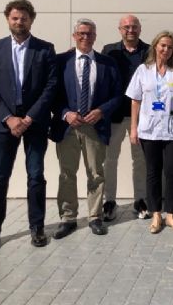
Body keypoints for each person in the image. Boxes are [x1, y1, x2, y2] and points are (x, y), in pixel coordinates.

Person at [0, 0, 57, 254]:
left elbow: (50, 87)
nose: (19, 22)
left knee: (35, 176)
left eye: (23, 18)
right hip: (4, 125)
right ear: (7, 19)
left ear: (31, 20)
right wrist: (9, 118)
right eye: (14, 18)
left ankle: (37, 227)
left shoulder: (45, 49)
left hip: (34, 123)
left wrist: (30, 117)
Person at [50, 19, 121, 239]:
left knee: (96, 173)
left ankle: (95, 217)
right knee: (67, 174)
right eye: (81, 33)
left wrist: (101, 111)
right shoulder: (60, 61)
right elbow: (50, 94)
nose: (85, 37)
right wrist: (65, 113)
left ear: (95, 36)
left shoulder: (107, 63)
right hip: (68, 126)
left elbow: (118, 94)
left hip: (94, 127)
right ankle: (68, 218)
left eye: (90, 34)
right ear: (74, 36)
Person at [126, 31, 173, 234]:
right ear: (155, 46)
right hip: (149, 130)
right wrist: (133, 128)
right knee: (152, 173)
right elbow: (135, 101)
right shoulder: (143, 70)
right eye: (163, 45)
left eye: (170, 47)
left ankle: (171, 214)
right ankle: (156, 213)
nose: (166, 49)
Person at [101, 15, 150, 221]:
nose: (130, 30)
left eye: (134, 27)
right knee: (109, 160)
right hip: (114, 115)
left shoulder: (149, 50)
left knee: (140, 160)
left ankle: (140, 200)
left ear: (140, 29)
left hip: (141, 115)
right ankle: (109, 201)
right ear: (119, 29)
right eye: (126, 27)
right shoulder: (108, 51)